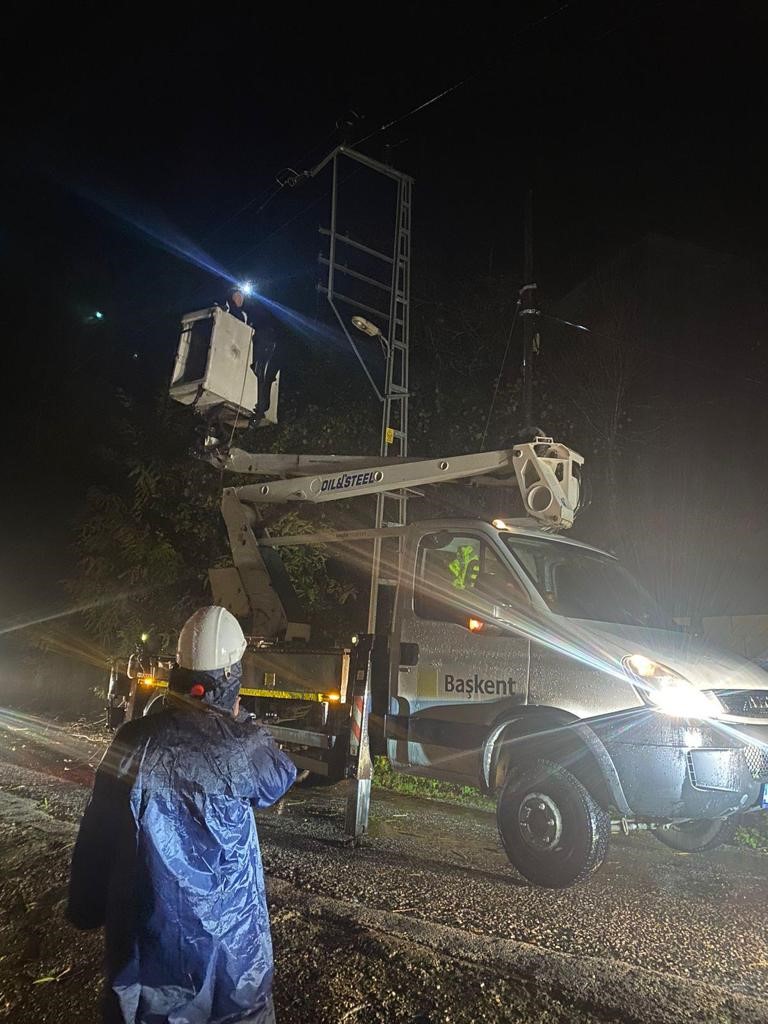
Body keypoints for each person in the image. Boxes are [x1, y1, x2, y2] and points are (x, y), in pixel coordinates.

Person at [67, 605, 297, 1024]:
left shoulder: (135, 740)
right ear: (231, 678)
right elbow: (281, 775)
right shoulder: (243, 747)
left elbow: (98, 831)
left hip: (150, 955)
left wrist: (85, 906)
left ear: (179, 671)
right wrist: (237, 720)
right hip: (234, 961)